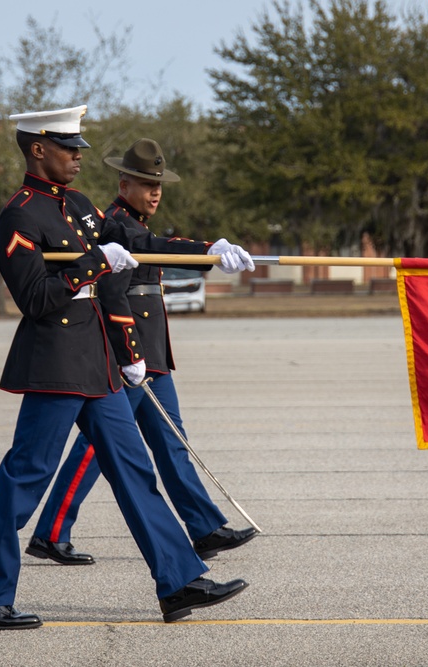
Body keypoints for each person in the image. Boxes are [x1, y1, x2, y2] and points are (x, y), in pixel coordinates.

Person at [0, 105, 254, 629]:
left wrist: (210, 250)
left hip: (98, 363)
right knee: (25, 479)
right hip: (55, 363)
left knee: (135, 473)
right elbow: (35, 297)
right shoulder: (20, 215)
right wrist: (94, 264)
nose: (78, 157)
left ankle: (179, 581)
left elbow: (141, 244)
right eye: (70, 149)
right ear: (38, 149)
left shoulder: (81, 206)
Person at [29, 138, 256, 568]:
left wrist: (210, 250)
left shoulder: (133, 225)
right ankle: (52, 531)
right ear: (123, 184)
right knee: (98, 446)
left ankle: (204, 527)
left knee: (172, 441)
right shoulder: (113, 223)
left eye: (159, 185)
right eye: (145, 183)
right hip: (127, 353)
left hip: (151, 354)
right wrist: (129, 351)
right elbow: (116, 292)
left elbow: (160, 245)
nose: (154, 192)